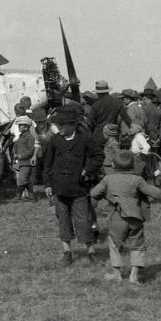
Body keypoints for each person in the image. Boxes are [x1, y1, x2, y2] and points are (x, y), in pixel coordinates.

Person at [90, 150, 161, 285]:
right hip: (136, 218)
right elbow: (156, 194)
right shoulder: (138, 179)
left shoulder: (108, 179)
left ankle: (117, 275)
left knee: (115, 245)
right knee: (138, 246)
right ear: (132, 165)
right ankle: (133, 276)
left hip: (117, 218)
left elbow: (94, 193)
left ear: (114, 165)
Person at [43, 105, 104, 265]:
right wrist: (48, 184)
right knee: (63, 221)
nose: (59, 128)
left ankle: (91, 252)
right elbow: (47, 163)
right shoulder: (55, 140)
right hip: (59, 189)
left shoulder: (84, 139)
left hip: (79, 189)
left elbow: (98, 156)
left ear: (73, 125)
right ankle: (67, 253)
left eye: (62, 125)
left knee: (83, 221)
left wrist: (87, 170)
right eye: (58, 125)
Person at [12, 116, 36, 202]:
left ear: (26, 127)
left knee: (21, 179)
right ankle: (32, 197)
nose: (18, 127)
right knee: (27, 180)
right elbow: (16, 145)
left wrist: (21, 156)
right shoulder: (20, 136)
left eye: (20, 125)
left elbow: (31, 150)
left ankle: (18, 197)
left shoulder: (30, 137)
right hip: (21, 162)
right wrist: (14, 152)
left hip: (27, 162)